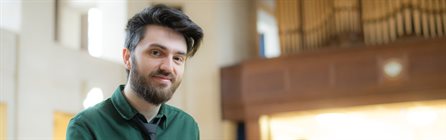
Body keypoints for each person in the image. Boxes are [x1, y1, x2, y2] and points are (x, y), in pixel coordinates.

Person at [66, 4, 203, 140]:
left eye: (178, 58)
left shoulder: (187, 127)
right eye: (156, 52)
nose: (168, 67)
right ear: (127, 58)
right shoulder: (87, 126)